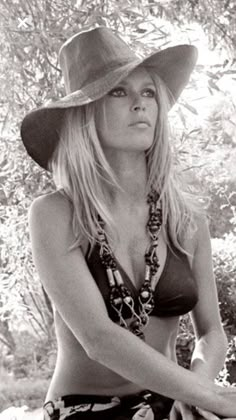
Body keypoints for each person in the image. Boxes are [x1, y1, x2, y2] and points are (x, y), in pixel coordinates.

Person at [20, 26, 236, 420]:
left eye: (149, 92)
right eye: (118, 91)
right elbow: (99, 339)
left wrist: (199, 390)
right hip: (85, 409)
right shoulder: (55, 213)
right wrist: (218, 400)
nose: (140, 103)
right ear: (85, 113)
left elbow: (212, 332)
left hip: (173, 403)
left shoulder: (186, 218)